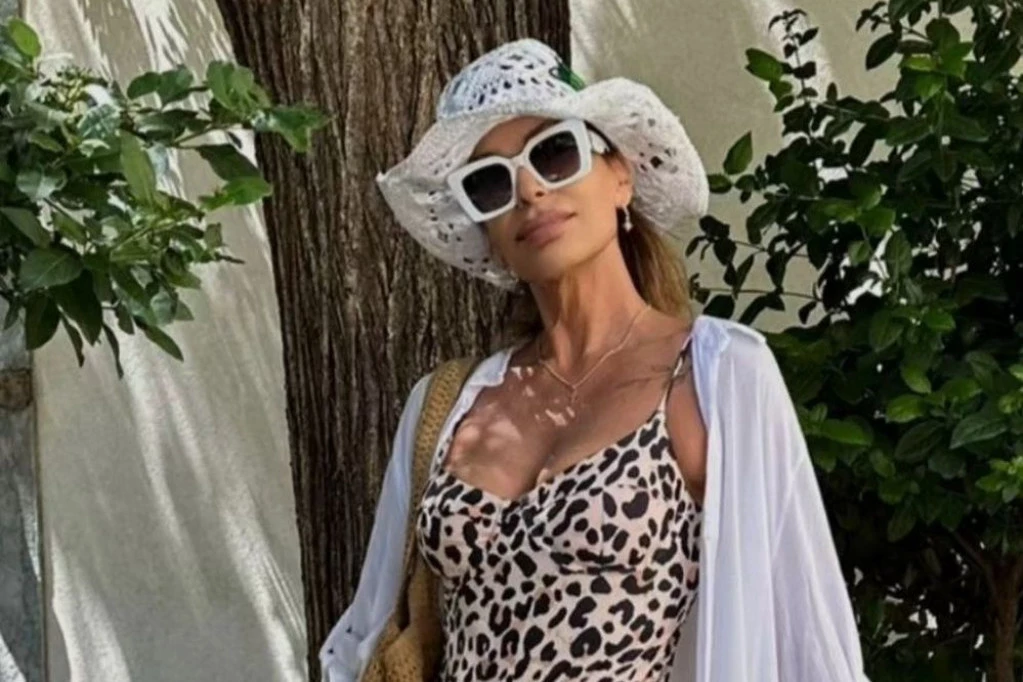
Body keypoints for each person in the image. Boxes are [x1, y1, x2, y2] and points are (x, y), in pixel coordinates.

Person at [320, 38, 869, 682]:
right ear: (487, 233)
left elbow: (807, 640)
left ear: (620, 176)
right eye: (489, 183)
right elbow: (365, 636)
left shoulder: (715, 376)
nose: (529, 190)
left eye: (555, 152)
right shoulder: (447, 404)